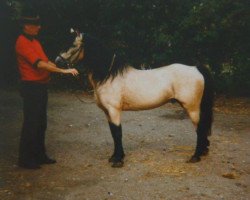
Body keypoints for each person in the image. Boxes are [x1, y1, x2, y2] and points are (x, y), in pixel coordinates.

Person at [15, 7, 79, 169]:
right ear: (26, 26)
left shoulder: (34, 41)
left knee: (41, 123)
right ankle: (26, 159)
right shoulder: (22, 42)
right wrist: (63, 71)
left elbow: (48, 62)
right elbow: (40, 64)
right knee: (31, 122)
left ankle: (39, 155)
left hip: (41, 87)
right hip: (31, 87)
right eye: (35, 24)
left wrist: (64, 68)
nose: (39, 27)